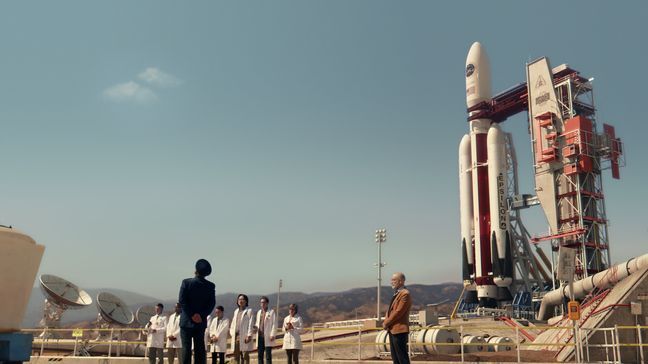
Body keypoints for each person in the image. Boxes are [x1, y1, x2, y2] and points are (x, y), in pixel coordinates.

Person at [179, 259, 216, 364]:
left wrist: (191, 314)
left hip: (186, 322)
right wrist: (201, 315)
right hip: (200, 322)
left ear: (196, 270)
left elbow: (182, 301)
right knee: (199, 349)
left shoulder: (186, 283)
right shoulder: (210, 286)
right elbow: (211, 304)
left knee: (186, 349)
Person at [382, 272, 411, 364]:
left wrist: (386, 323)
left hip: (399, 330)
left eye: (394, 280)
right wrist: (386, 321)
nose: (391, 282)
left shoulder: (405, 294)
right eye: (391, 280)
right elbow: (391, 310)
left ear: (401, 281)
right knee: (396, 358)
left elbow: (398, 312)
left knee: (402, 358)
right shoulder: (396, 294)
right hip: (392, 330)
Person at [228, 294, 255, 364]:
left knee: (245, 355)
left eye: (242, 299)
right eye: (239, 299)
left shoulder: (249, 311)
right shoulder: (236, 311)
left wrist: (249, 335)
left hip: (244, 336)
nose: (241, 301)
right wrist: (232, 333)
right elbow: (233, 324)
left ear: (246, 301)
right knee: (236, 356)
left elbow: (251, 324)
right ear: (237, 301)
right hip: (236, 336)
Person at [253, 296, 277, 364]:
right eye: (261, 302)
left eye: (264, 302)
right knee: (260, 356)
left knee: (268, 356)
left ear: (267, 303)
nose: (262, 304)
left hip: (267, 337)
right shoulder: (259, 312)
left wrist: (272, 335)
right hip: (260, 337)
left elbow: (274, 324)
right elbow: (258, 323)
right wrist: (255, 327)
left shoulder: (271, 312)